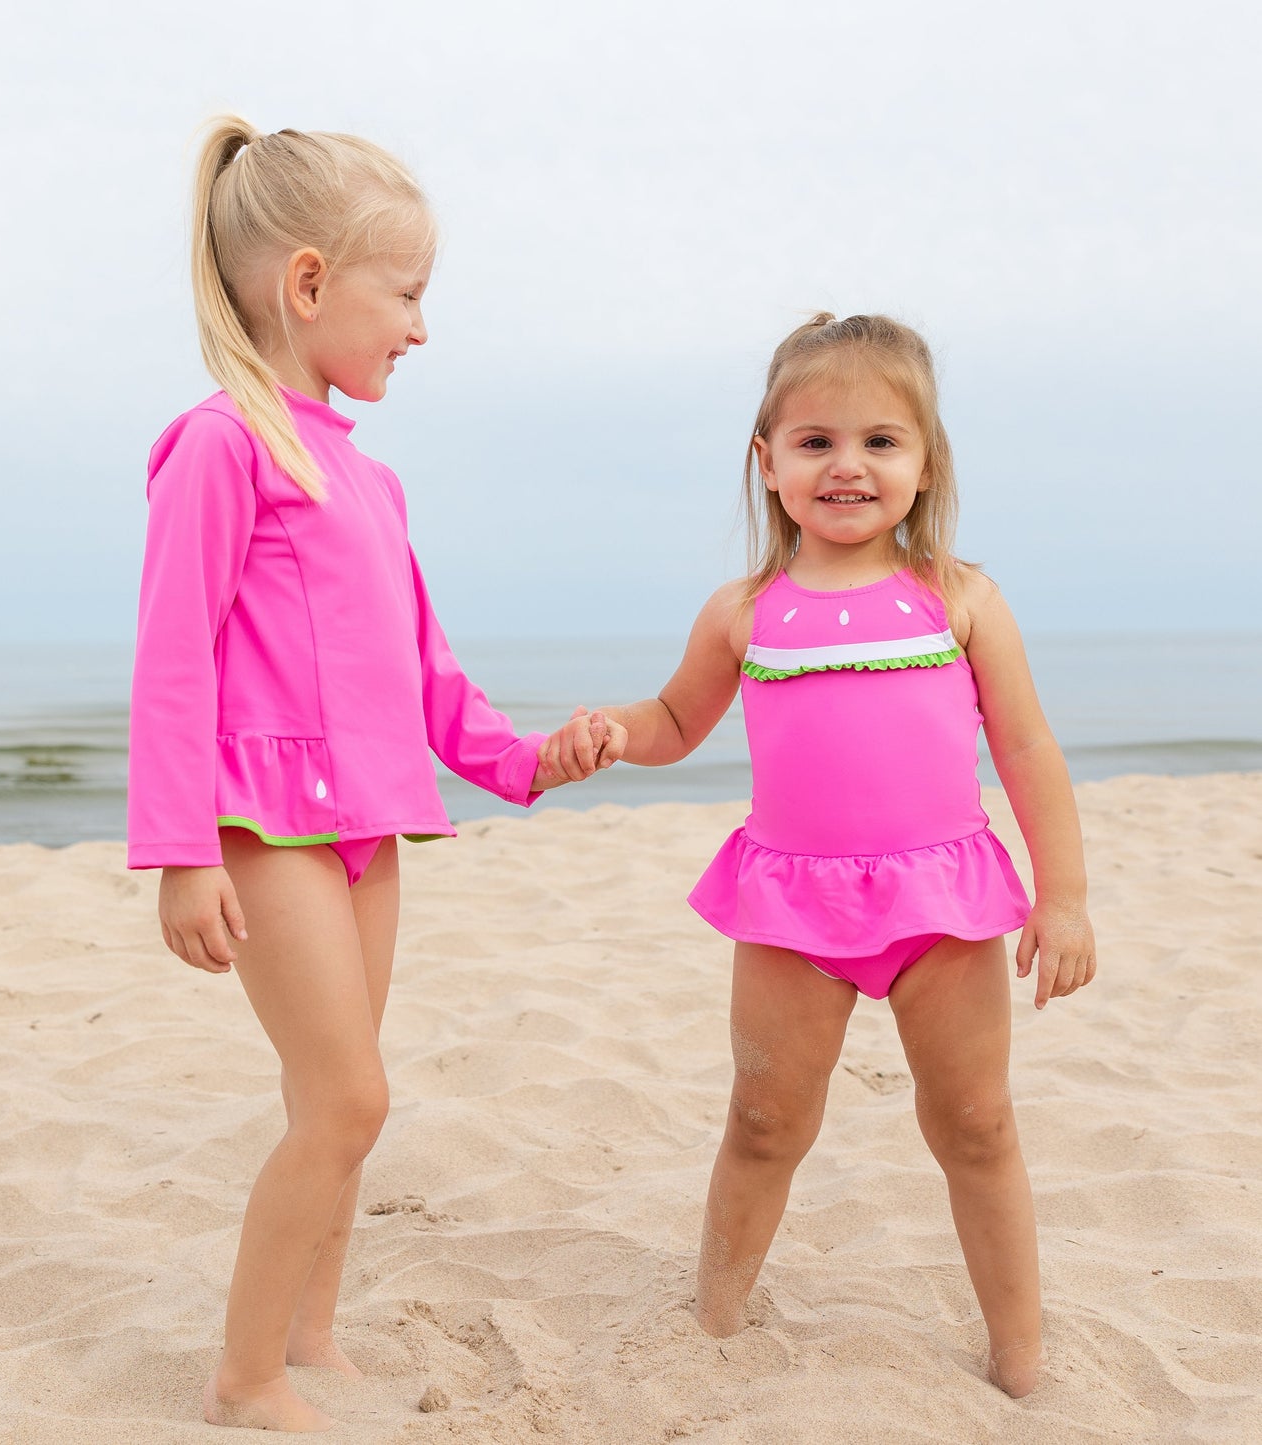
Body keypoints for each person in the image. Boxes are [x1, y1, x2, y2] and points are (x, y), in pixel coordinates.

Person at [127, 115, 596, 1433]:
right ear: (311, 283)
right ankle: (242, 1373)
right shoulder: (220, 446)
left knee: (334, 1099)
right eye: (410, 294)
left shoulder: (370, 481)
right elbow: (171, 664)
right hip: (262, 828)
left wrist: (524, 760)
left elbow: (426, 670)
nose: (421, 329)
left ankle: (311, 1334)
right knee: (348, 1097)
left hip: (373, 824)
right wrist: (176, 854)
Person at [543, 313, 1097, 1398]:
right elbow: (671, 718)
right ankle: (711, 1315)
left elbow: (1026, 747)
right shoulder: (745, 612)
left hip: (940, 901)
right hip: (790, 908)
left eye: (880, 441)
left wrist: (1063, 896)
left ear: (924, 460)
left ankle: (1019, 1355)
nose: (847, 465)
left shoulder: (960, 598)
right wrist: (612, 731)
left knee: (975, 1122)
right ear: (767, 461)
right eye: (814, 441)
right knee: (762, 1116)